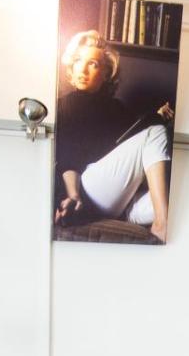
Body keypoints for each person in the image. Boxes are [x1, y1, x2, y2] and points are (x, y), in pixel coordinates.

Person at [54, 30, 173, 242]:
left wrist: (158, 116)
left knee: (176, 193)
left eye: (93, 64)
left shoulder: (117, 108)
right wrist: (73, 195)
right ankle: (162, 224)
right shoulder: (65, 105)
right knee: (155, 133)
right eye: (78, 60)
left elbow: (136, 143)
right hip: (85, 190)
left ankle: (138, 215)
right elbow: (67, 158)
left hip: (118, 200)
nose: (82, 69)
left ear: (106, 73)